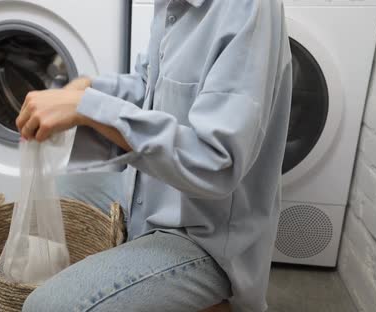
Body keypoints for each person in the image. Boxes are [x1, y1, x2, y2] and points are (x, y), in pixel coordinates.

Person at [16, 0, 292, 311]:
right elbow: (151, 87)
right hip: (151, 191)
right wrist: (88, 89)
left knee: (46, 308)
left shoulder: (246, 8)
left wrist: (88, 108)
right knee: (42, 208)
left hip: (206, 234)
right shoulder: (173, 6)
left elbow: (216, 163)